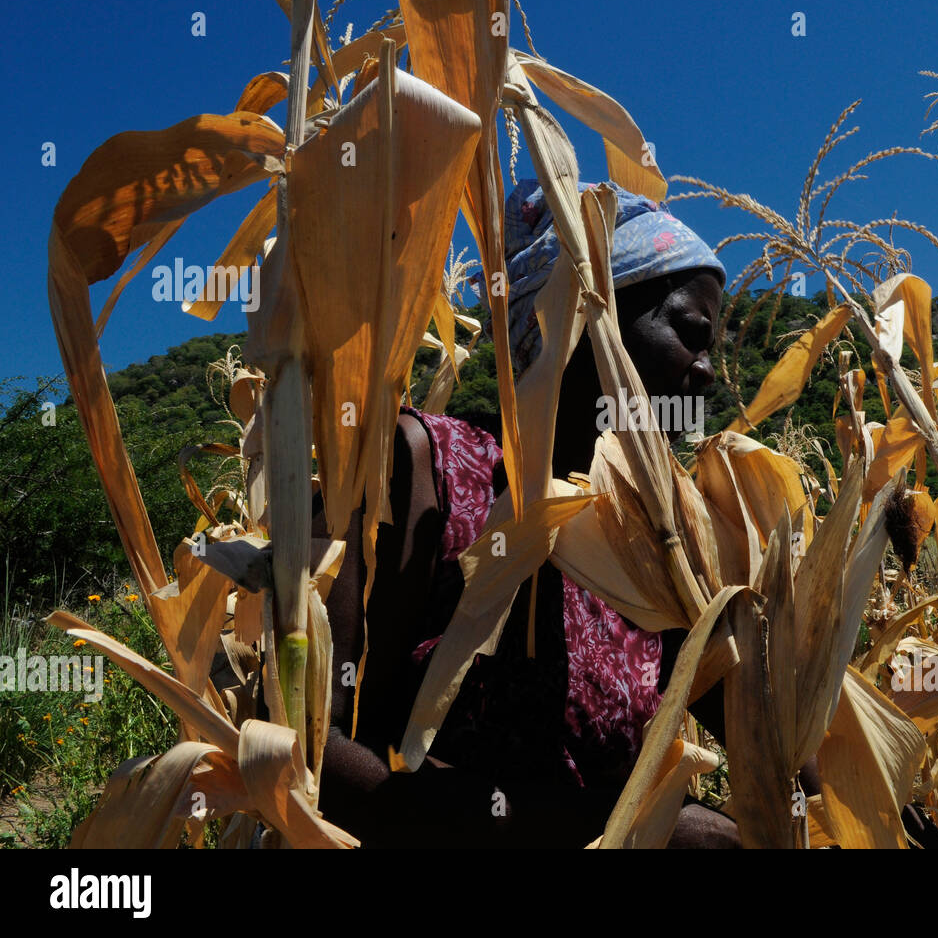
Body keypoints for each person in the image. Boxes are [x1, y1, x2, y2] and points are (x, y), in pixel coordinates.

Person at [315, 179, 753, 847]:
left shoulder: (660, 541)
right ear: (584, 312)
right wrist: (631, 828)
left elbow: (771, 740)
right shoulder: (421, 470)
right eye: (694, 334)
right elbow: (312, 754)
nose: (706, 373)